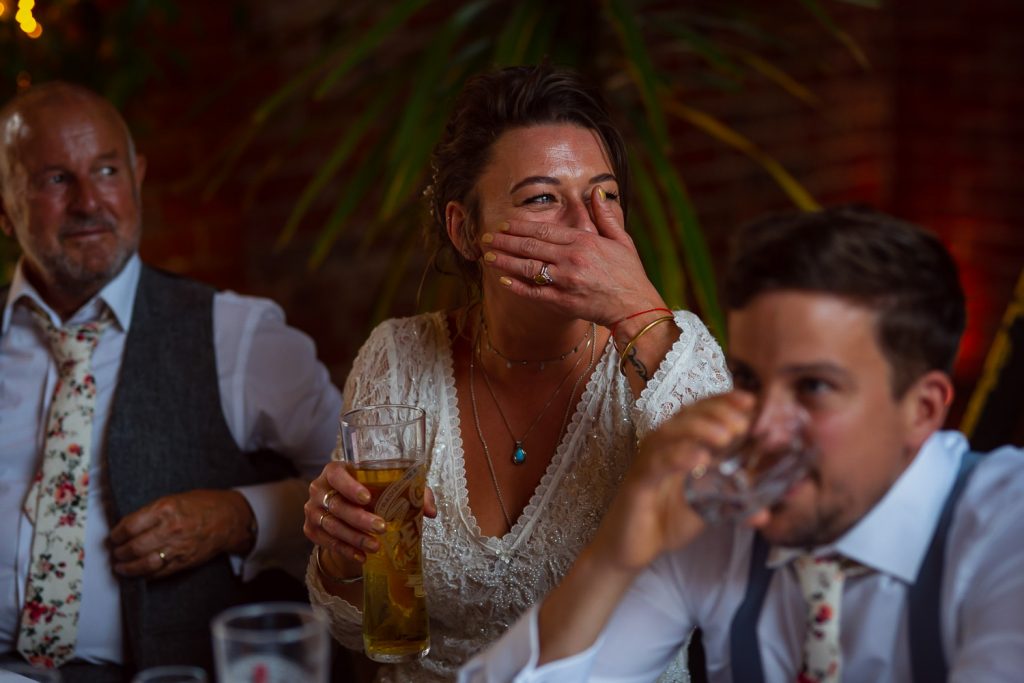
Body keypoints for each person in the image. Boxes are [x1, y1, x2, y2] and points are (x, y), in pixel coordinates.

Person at [458, 206, 1024, 683]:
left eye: (814, 387)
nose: (765, 427)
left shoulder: (1005, 527)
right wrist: (615, 556)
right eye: (751, 381)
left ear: (921, 409)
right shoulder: (722, 517)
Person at [303, 65, 731, 682]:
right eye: (541, 198)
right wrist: (344, 556)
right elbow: (360, 630)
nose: (586, 226)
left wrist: (634, 308)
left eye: (605, 195)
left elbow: (725, 535)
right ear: (466, 230)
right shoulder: (396, 357)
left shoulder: (672, 354)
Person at [0, 82, 342, 681]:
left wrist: (243, 516)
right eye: (55, 179)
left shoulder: (236, 331)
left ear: (136, 176)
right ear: (4, 207)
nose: (88, 201)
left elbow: (360, 485)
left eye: (105, 170)